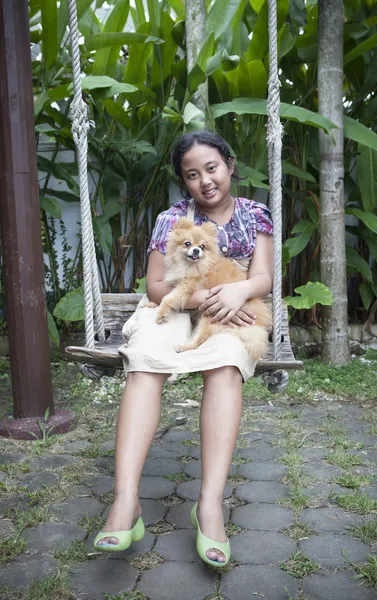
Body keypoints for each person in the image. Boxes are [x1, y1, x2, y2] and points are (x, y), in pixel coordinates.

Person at [93, 130, 274, 567]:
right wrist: (198, 300)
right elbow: (156, 286)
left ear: (229, 165)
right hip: (172, 304)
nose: (205, 181)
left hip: (233, 300)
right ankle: (126, 501)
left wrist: (237, 294)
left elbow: (264, 276)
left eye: (211, 168)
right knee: (144, 362)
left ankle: (209, 506)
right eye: (192, 175)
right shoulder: (172, 218)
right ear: (184, 182)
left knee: (228, 363)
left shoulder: (255, 214)